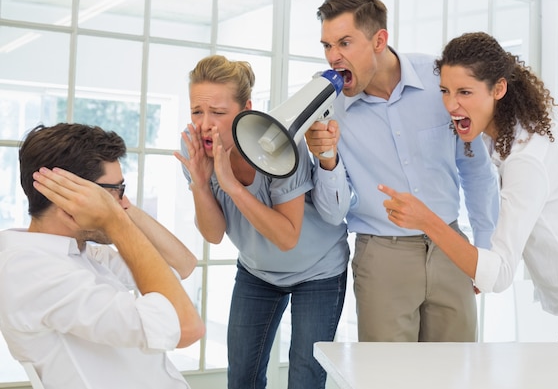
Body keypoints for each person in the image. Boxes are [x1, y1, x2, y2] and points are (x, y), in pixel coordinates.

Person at [380, 31, 558, 341]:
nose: (451, 105)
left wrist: (427, 221)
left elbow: (500, 276)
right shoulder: (505, 136)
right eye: (445, 90)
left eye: (465, 92)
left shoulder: (526, 159)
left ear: (499, 89)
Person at [304, 0, 500, 343]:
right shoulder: (326, 104)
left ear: (379, 39)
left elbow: (475, 169)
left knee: (456, 372)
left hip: (450, 245)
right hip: (382, 257)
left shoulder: (440, 81)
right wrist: (327, 159)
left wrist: (482, 252)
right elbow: (333, 214)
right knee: (387, 377)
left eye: (344, 43)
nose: (333, 57)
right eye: (327, 46)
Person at [174, 55, 350, 389]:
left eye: (219, 112)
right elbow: (212, 234)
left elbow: (287, 237)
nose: (205, 123)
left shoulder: (279, 142)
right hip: (257, 271)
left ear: (246, 108)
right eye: (197, 111)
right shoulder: (194, 149)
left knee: (305, 378)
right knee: (242, 376)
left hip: (318, 270)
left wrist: (232, 187)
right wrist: (200, 182)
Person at [0, 123, 205, 389]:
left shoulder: (81, 251)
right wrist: (116, 223)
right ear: (70, 198)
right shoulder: (31, 271)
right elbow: (187, 327)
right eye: (115, 191)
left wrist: (118, 208)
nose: (122, 202)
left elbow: (182, 264)